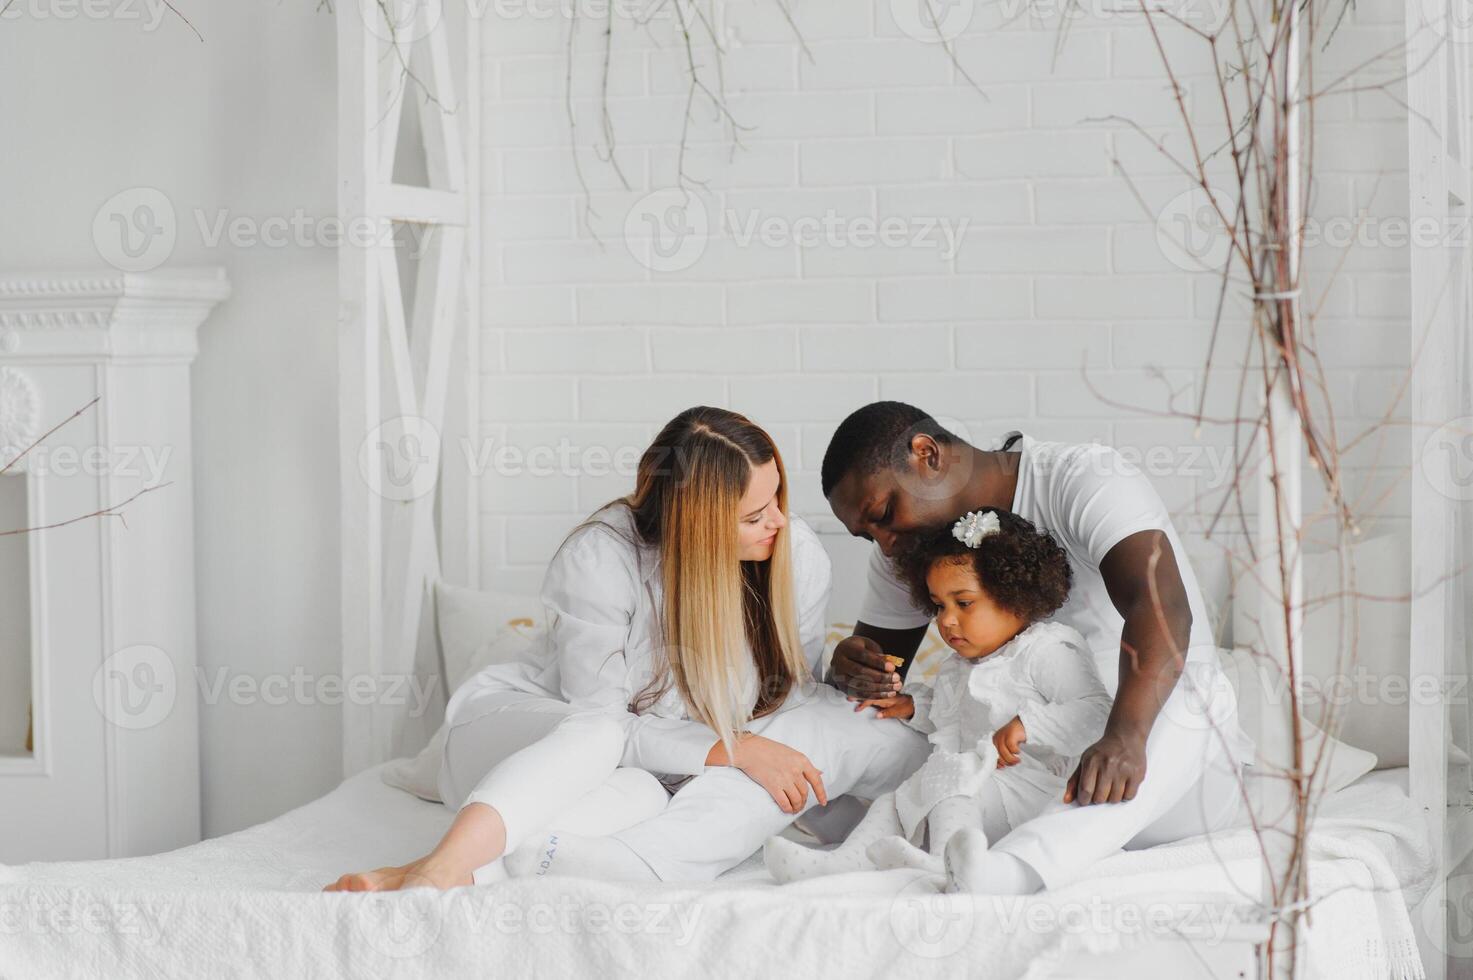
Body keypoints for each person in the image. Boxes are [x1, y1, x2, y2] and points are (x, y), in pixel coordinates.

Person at [325, 406, 927, 891]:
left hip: (651, 768)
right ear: (698, 522)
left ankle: (431, 876)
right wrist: (736, 750)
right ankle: (438, 864)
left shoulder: (791, 554)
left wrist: (845, 703)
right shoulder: (602, 558)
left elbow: (791, 694)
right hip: (527, 734)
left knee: (637, 800)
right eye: (752, 515)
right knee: (602, 739)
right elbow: (604, 722)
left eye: (777, 499)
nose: (776, 522)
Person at [821, 402, 1254, 895]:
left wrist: (1124, 738)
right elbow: (881, 673)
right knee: (868, 715)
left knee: (1202, 691)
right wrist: (851, 667)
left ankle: (1015, 871)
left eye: (883, 515)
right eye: (867, 536)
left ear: (927, 454)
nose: (887, 545)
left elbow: (1162, 605)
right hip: (1022, 785)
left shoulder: (1084, 477)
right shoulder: (910, 548)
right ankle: (838, 827)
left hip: (1148, 774)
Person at [765, 508, 1112, 890]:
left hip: (1030, 790)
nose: (946, 621)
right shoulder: (959, 664)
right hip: (974, 782)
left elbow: (1095, 712)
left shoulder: (1048, 649)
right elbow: (956, 719)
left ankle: (945, 866)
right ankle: (843, 863)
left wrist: (1030, 725)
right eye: (939, 606)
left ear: (1016, 597)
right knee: (896, 800)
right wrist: (914, 707)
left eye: (963, 603)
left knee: (951, 786)